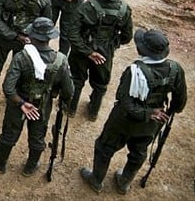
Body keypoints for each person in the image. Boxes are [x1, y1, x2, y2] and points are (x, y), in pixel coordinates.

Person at [80, 28, 187, 194]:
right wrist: (160, 113)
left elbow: (125, 102)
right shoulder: (176, 69)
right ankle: (124, 182)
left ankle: (96, 180)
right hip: (152, 123)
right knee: (139, 152)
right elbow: (179, 103)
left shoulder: (135, 71)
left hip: (124, 121)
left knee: (104, 147)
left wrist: (147, 112)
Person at [0, 17, 73, 177]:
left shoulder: (21, 57)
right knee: (38, 136)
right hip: (43, 104)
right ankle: (31, 166)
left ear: (32, 36)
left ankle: (0, 162)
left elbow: (8, 88)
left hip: (18, 101)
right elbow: (69, 91)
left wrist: (21, 103)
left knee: (10, 133)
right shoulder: (61, 61)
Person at [66, 0, 133, 120]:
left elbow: (72, 33)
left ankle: (70, 108)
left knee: (76, 79)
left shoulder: (86, 7)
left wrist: (88, 51)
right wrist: (111, 44)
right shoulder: (124, 10)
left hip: (81, 49)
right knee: (100, 83)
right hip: (106, 51)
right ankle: (93, 112)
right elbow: (127, 37)